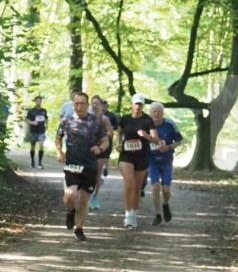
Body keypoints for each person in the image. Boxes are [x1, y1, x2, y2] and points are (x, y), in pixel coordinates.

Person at [55, 92, 109, 241]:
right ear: (73, 104)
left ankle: (79, 228)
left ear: (87, 105)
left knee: (84, 199)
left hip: (89, 165)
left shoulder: (95, 122)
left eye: (82, 103)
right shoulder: (66, 121)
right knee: (70, 195)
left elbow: (105, 141)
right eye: (76, 103)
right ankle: (70, 211)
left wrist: (100, 149)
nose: (79, 106)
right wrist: (59, 152)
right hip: (72, 163)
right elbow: (58, 138)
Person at [116, 93, 160, 229]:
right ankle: (127, 214)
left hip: (141, 156)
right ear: (132, 104)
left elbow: (156, 140)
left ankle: (133, 215)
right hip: (126, 155)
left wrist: (145, 135)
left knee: (136, 187)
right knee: (129, 182)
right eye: (136, 103)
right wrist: (118, 143)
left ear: (143, 105)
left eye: (140, 104)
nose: (138, 106)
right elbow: (119, 132)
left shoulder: (148, 120)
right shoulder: (125, 119)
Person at [147, 102, 184, 225]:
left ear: (163, 113)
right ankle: (158, 214)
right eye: (154, 112)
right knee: (155, 187)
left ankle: (165, 204)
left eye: (159, 112)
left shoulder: (170, 124)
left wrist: (168, 147)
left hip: (167, 161)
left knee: (166, 190)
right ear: (150, 114)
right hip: (152, 161)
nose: (157, 114)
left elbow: (179, 141)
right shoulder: (146, 125)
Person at [88, 96, 115, 211]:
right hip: (89, 148)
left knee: (97, 174)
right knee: (89, 172)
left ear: (100, 105)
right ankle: (86, 195)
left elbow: (111, 133)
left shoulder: (104, 119)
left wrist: (103, 137)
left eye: (97, 103)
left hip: (102, 148)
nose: (94, 105)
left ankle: (94, 197)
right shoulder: (86, 118)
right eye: (93, 103)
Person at [25, 96, 48, 169]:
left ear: (41, 101)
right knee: (32, 146)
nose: (38, 102)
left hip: (41, 131)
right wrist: (32, 122)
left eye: (40, 101)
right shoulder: (31, 111)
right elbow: (26, 119)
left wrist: (47, 125)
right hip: (33, 131)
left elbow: (46, 118)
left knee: (41, 145)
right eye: (37, 101)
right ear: (35, 101)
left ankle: (40, 163)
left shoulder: (44, 110)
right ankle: (32, 161)